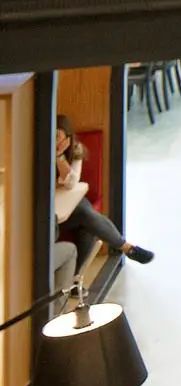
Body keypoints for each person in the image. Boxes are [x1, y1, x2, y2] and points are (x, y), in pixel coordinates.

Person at [53, 116, 154, 270]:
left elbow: (71, 183)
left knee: (86, 218)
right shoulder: (39, 152)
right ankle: (126, 248)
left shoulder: (75, 149)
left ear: (67, 137)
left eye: (57, 136)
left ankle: (76, 278)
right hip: (53, 210)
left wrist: (59, 157)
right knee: (86, 217)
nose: (54, 141)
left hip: (68, 201)